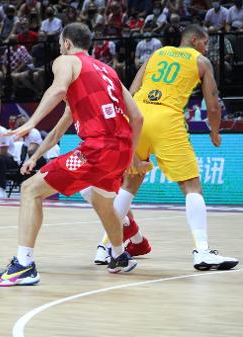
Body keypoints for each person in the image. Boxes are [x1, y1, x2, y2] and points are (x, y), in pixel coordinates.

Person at [0, 23, 144, 287]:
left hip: (97, 149)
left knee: (30, 190)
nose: (60, 48)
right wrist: (130, 158)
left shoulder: (67, 61)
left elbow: (57, 89)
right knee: (104, 203)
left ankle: (23, 265)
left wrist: (30, 123)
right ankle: (119, 256)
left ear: (68, 43)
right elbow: (137, 117)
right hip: (120, 150)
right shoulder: (107, 72)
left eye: (61, 43)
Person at [89, 25, 239, 271]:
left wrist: (123, 125)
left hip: (137, 117)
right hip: (166, 119)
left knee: (129, 184)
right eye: (205, 42)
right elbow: (213, 106)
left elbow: (132, 90)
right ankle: (202, 252)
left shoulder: (156, 55)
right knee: (191, 185)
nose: (207, 47)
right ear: (193, 40)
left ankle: (106, 248)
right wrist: (214, 130)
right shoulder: (200, 61)